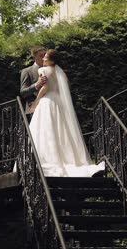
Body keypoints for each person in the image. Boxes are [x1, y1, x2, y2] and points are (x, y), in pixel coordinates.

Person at [29, 49, 105, 177]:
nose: (43, 59)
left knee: (45, 129)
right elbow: (64, 88)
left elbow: (45, 87)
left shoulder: (42, 70)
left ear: (52, 60)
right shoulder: (61, 72)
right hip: (58, 102)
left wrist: (36, 101)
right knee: (61, 130)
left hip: (47, 101)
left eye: (46, 57)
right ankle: (65, 158)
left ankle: (47, 159)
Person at [20, 46, 48, 116]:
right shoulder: (27, 71)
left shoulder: (51, 69)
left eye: (45, 55)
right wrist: (37, 84)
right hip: (36, 109)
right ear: (34, 57)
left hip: (52, 106)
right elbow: (23, 93)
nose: (44, 58)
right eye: (41, 55)